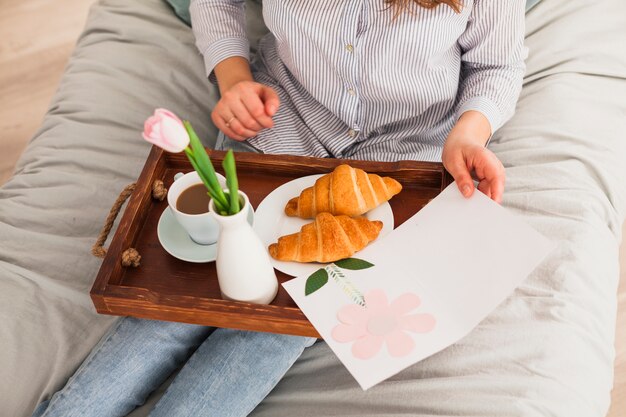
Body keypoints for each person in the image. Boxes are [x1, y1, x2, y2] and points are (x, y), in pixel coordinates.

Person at [32, 0, 526, 416]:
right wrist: (233, 80)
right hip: (277, 132)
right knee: (182, 300)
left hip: (401, 166)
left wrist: (469, 131)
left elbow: (499, 65)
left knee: (277, 330)